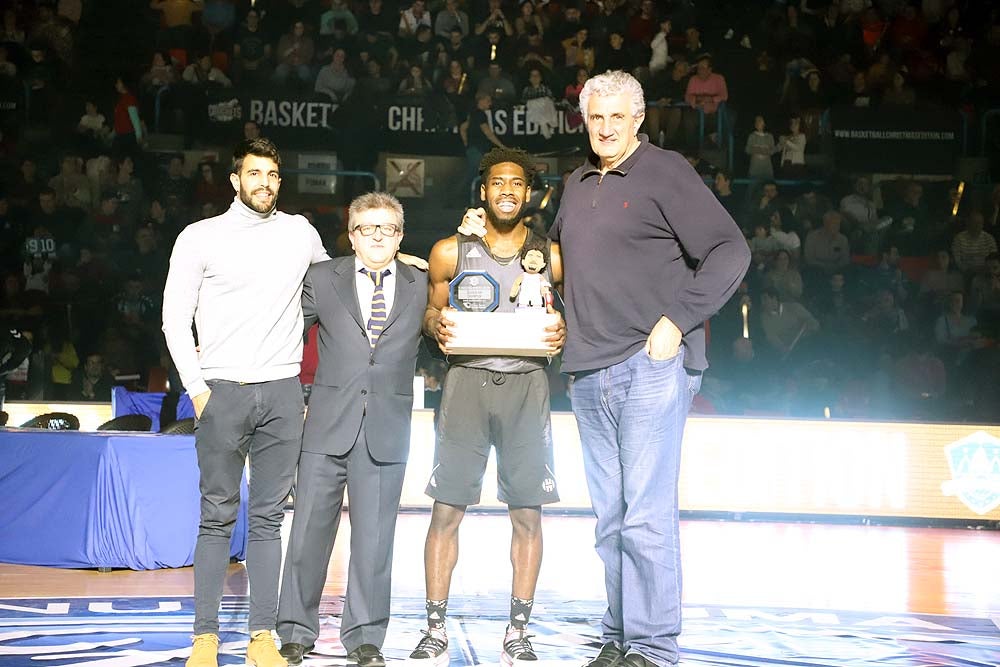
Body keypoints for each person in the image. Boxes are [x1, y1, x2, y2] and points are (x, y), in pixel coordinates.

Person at [459, 71, 749, 667]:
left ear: (639, 120)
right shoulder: (575, 183)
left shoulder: (666, 171)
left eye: (619, 117)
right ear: (584, 120)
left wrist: (677, 322)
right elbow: (551, 261)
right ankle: (619, 639)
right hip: (588, 371)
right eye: (597, 117)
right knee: (612, 519)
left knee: (644, 516)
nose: (607, 127)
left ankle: (652, 646)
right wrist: (480, 235)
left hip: (649, 363)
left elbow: (731, 250)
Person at [162, 138, 329, 667]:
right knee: (215, 518)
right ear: (235, 180)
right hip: (222, 392)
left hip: (282, 391)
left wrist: (402, 258)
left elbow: (337, 285)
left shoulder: (299, 232)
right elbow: (173, 318)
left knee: (268, 520)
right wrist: (198, 389)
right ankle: (205, 639)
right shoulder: (200, 236)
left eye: (273, 174)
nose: (265, 182)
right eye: (254, 173)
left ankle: (262, 637)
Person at [410, 147, 565, 667]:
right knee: (446, 509)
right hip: (466, 386)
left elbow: (565, 318)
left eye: (516, 184)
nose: (506, 191)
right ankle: (434, 627)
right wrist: (436, 326)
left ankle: (518, 629)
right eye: (497, 182)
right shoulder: (449, 252)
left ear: (529, 194)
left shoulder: (553, 255)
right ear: (483, 190)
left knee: (528, 514)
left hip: (527, 388)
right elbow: (431, 313)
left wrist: (564, 331)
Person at [276, 192, 428, 667]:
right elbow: (279, 327)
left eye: (386, 228)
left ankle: (365, 638)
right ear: (352, 234)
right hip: (325, 425)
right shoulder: (323, 278)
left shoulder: (422, 281)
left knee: (375, 541)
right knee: (306, 536)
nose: (377, 236)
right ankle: (296, 632)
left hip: (386, 429)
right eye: (366, 228)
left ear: (400, 235)